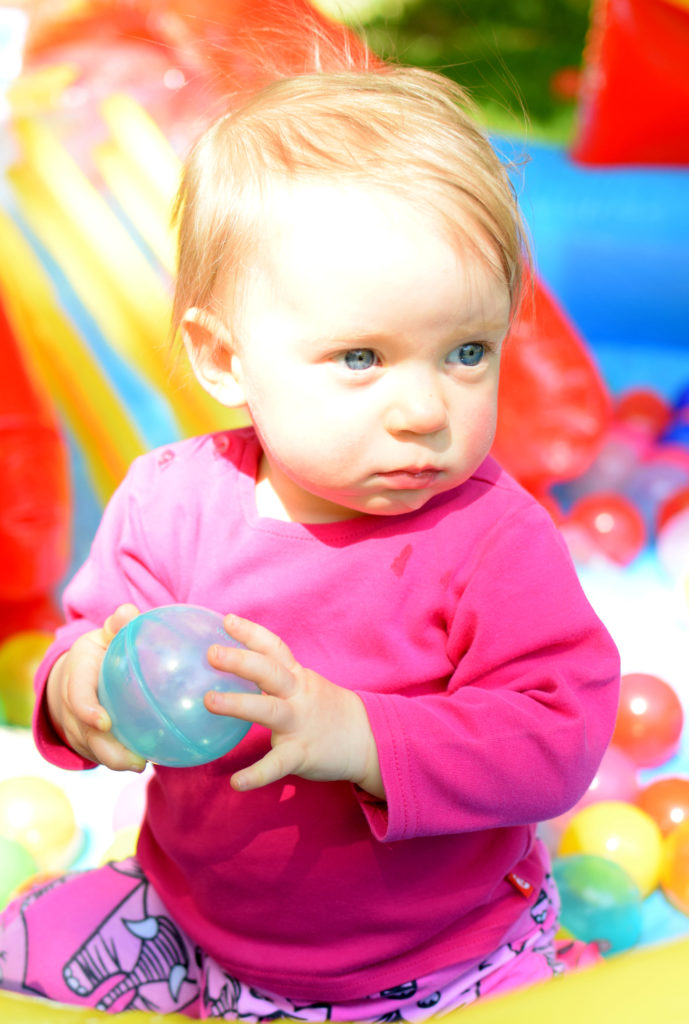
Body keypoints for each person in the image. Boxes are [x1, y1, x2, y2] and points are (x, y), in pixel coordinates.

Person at [0, 65, 620, 1019]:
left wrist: (361, 735)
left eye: (467, 351)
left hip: (432, 962)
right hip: (190, 917)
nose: (423, 409)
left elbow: (558, 734)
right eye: (360, 359)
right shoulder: (171, 502)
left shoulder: (490, 537)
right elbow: (85, 640)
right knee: (21, 946)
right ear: (222, 358)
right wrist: (81, 692)